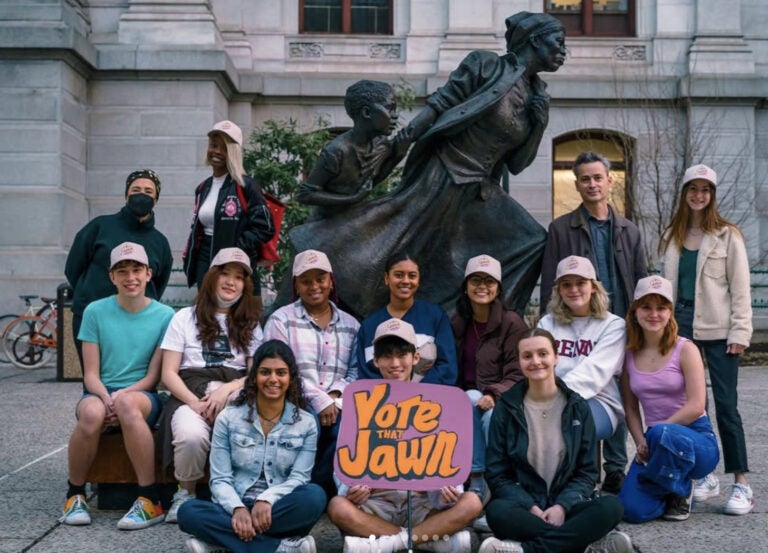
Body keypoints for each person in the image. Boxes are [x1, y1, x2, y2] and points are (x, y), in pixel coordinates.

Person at [289, 11, 565, 318]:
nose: (564, 51)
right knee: (399, 244)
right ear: (535, 40)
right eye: (559, 42)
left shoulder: (538, 95)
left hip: (481, 187)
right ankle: (329, 261)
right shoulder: (486, 65)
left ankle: (493, 325)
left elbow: (517, 164)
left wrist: (538, 124)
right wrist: (406, 138)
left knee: (531, 241)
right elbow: (442, 103)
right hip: (444, 172)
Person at [539, 151, 647, 494]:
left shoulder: (629, 230)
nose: (592, 184)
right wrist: (550, 326)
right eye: (585, 179)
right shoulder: (561, 228)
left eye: (598, 177)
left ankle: (615, 467)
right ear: (577, 184)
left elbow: (642, 278)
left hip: (621, 322)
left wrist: (643, 324)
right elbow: (549, 281)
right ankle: (584, 468)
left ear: (609, 181)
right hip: (577, 319)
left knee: (613, 388)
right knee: (582, 378)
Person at [328, 318, 482, 553]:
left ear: (415, 358)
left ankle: (387, 544)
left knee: (471, 502)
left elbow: (447, 459)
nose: (395, 363)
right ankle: (430, 541)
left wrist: (447, 490)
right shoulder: (360, 402)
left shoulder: (437, 403)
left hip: (423, 504)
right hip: (377, 504)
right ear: (376, 360)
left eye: (402, 355)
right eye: (387, 356)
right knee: (338, 506)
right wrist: (352, 488)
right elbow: (346, 458)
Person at [479, 328, 631, 553]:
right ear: (519, 361)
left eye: (543, 354)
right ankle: (587, 545)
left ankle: (525, 550)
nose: (536, 361)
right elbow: (498, 474)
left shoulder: (578, 407)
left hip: (568, 506)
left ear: (556, 357)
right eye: (527, 356)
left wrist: (562, 506)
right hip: (526, 508)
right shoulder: (506, 408)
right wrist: (531, 507)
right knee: (497, 512)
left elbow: (587, 472)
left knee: (612, 506)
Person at [659, 163, 754, 515]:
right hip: (680, 329)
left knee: (727, 407)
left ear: (712, 195)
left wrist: (740, 332)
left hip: (719, 332)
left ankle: (742, 483)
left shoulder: (728, 235)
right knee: (692, 408)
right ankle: (705, 474)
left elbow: (740, 288)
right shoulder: (673, 234)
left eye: (706, 189)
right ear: (684, 193)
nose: (699, 195)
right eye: (693, 189)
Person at [59, 242, 175, 530]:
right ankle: (74, 494)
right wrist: (105, 396)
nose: (130, 277)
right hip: (99, 391)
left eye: (136, 270)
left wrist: (122, 396)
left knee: (126, 404)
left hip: (143, 394)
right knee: (91, 414)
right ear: (112, 277)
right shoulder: (95, 312)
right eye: (122, 271)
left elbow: (153, 376)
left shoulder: (165, 316)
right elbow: (90, 374)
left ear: (149, 274)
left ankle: (149, 499)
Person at [177, 340, 325, 553]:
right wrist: (237, 509)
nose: (273, 379)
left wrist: (266, 500)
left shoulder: (306, 422)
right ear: (254, 377)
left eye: (281, 373)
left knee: (314, 497)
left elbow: (299, 478)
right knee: (188, 512)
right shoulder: (228, 418)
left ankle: (221, 542)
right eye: (265, 372)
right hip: (232, 507)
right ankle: (280, 547)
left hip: (277, 509)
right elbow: (219, 479)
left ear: (290, 378)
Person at [159, 247, 264, 523]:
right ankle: (185, 492)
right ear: (212, 278)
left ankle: (234, 494)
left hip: (234, 392)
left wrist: (226, 390)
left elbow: (255, 375)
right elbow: (168, 373)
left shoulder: (250, 323)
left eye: (239, 277)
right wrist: (194, 404)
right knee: (190, 436)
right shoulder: (184, 317)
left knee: (242, 427)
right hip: (189, 395)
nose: (231, 282)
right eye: (225, 274)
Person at [617, 276, 720, 523]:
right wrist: (641, 441)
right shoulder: (628, 354)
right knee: (631, 511)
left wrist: (658, 433)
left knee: (663, 433)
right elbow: (630, 408)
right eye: (646, 307)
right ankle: (669, 490)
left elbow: (696, 406)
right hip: (655, 442)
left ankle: (683, 489)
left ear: (670, 312)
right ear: (635, 311)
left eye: (661, 308)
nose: (654, 314)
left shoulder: (685, 349)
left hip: (696, 439)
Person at [264, 249, 360, 499]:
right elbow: (279, 370)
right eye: (306, 281)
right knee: (308, 425)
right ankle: (301, 493)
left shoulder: (351, 325)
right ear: (296, 284)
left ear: (331, 281)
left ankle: (327, 493)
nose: (314, 286)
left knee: (349, 431)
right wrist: (319, 400)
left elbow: (356, 370)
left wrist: (335, 396)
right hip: (293, 400)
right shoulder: (280, 321)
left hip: (340, 404)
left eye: (320, 279)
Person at [65, 169, 173, 366]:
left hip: (138, 323)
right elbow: (73, 267)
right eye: (136, 189)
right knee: (94, 378)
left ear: (156, 199)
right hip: (92, 318)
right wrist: (88, 294)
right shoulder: (99, 227)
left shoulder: (160, 242)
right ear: (126, 195)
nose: (142, 195)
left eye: (149, 191)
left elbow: (158, 282)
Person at [450, 254, 527, 513]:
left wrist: (494, 393)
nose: (482, 286)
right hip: (464, 396)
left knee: (486, 412)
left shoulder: (511, 323)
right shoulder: (458, 321)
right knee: (468, 399)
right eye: (475, 280)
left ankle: (479, 478)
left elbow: (518, 373)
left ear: (498, 287)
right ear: (465, 286)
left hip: (502, 399)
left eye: (489, 281)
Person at [537, 256, 626, 443]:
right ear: (559, 290)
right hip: (548, 400)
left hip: (599, 402)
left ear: (593, 286)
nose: (573, 289)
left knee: (567, 425)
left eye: (581, 283)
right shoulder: (547, 323)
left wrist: (554, 398)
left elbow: (594, 373)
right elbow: (539, 367)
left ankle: (583, 473)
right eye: (566, 285)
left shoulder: (613, 325)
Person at [182, 119, 275, 291]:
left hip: (237, 263)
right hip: (205, 258)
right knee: (207, 313)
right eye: (213, 145)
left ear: (233, 152)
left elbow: (265, 228)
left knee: (241, 314)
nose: (216, 151)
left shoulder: (246, 185)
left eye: (224, 147)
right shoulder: (203, 187)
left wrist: (237, 246)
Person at [298, 80, 408, 220]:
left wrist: (399, 155)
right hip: (324, 226)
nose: (395, 115)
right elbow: (305, 194)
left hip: (354, 220)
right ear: (367, 112)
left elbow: (372, 181)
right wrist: (351, 199)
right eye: (390, 109)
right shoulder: (337, 151)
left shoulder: (380, 143)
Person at [353, 251, 458, 385]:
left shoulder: (435, 316)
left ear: (418, 280)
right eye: (399, 275)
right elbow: (364, 373)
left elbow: (447, 367)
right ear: (386, 278)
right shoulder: (369, 326)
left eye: (412, 276)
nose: (406, 281)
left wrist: (414, 394)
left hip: (429, 400)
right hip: (380, 402)